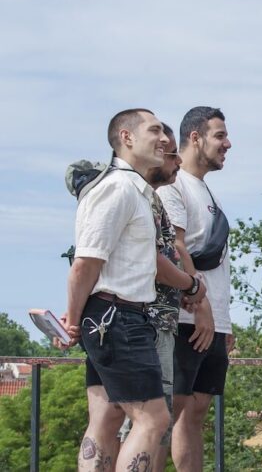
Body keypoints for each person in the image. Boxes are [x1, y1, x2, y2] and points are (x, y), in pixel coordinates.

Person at [60, 108, 172, 471]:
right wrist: (72, 322)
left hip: (111, 316)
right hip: (118, 318)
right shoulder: (119, 188)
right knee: (153, 419)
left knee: (107, 417)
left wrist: (78, 319)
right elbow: (85, 263)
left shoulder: (132, 189)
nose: (165, 139)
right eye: (154, 130)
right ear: (126, 137)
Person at [117, 123, 207, 470]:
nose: (177, 162)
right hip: (142, 320)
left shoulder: (150, 198)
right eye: (170, 155)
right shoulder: (131, 194)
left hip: (157, 321)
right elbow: (152, 258)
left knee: (154, 422)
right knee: (145, 421)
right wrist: (192, 286)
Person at [159, 106, 233, 472]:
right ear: (195, 137)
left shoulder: (209, 192)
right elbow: (176, 248)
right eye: (219, 136)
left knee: (196, 413)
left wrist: (224, 322)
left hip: (212, 321)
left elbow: (219, 264)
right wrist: (200, 307)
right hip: (187, 318)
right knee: (165, 412)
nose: (228, 144)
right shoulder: (175, 186)